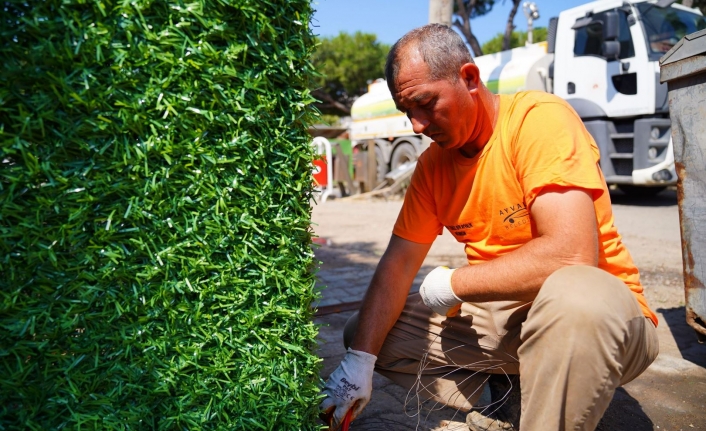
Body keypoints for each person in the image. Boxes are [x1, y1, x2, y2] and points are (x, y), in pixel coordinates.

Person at [320, 24, 659, 431]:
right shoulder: (433, 167)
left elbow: (572, 255)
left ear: (469, 78)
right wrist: (359, 362)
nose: (416, 125)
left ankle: (548, 412)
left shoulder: (538, 121)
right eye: (407, 111)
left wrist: (454, 284)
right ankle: (517, 396)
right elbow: (397, 265)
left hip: (604, 320)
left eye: (425, 103)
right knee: (368, 333)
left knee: (575, 295)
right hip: (511, 318)